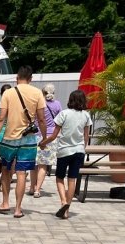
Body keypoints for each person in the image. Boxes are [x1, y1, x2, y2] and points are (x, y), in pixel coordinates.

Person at [0, 66, 46, 219]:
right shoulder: (37, 93)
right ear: (31, 78)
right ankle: (18, 209)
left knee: (6, 171)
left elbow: (1, 118)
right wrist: (45, 138)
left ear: (16, 78)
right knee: (22, 173)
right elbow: (41, 119)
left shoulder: (8, 93)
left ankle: (5, 203)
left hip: (8, 139)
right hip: (28, 141)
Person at [40, 89, 92, 219]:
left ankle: (63, 202)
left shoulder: (64, 114)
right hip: (79, 150)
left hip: (64, 150)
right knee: (72, 179)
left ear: (71, 100)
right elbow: (86, 136)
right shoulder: (86, 115)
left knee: (59, 178)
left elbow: (54, 135)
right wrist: (82, 147)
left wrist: (43, 143)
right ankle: (68, 207)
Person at [30, 84, 63, 198]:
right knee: (43, 165)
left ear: (42, 92)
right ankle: (37, 189)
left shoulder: (39, 103)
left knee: (34, 163)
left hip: (36, 135)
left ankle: (31, 187)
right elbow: (60, 121)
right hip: (51, 137)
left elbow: (34, 118)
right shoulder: (57, 104)